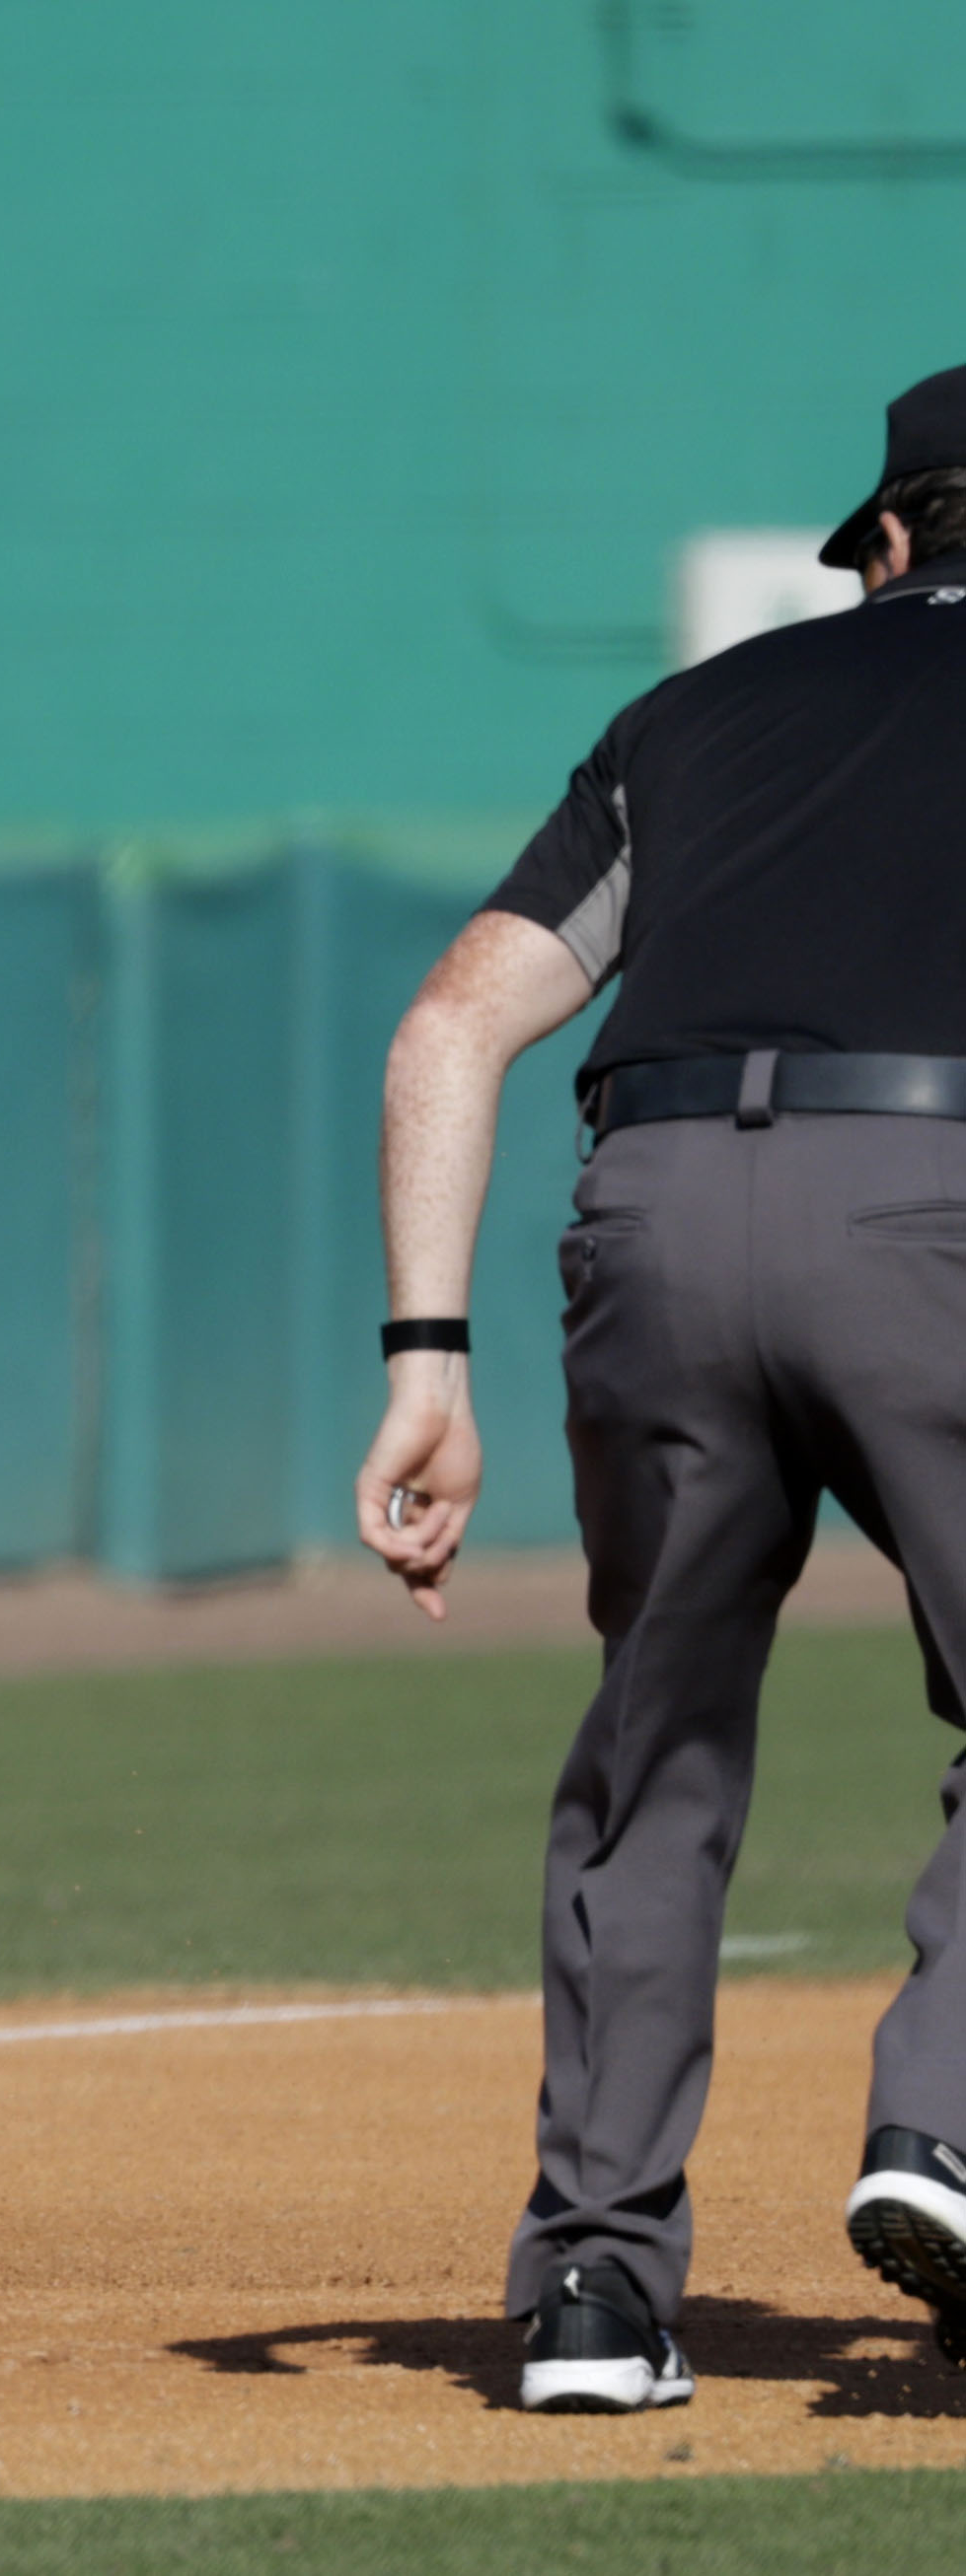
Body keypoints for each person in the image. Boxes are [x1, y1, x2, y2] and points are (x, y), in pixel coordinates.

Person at [356, 363, 966, 2413]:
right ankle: (943, 2128)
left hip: (653, 1215)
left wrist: (418, 1361)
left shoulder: (689, 718)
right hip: (933, 1211)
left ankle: (594, 2302)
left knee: (659, 1741)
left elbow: (449, 1023)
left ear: (887, 541)